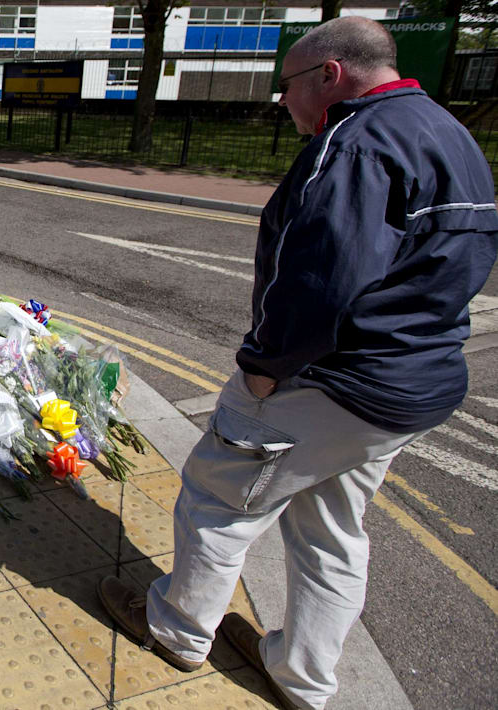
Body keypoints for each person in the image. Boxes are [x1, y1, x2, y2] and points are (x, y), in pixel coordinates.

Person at [96, 16, 497, 710]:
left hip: (331, 380)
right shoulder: (450, 133)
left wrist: (264, 365)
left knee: (219, 498)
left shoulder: (355, 141)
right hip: (411, 385)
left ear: (329, 74)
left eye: (287, 87)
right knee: (331, 533)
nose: (283, 102)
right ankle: (302, 675)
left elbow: (318, 278)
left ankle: (177, 629)